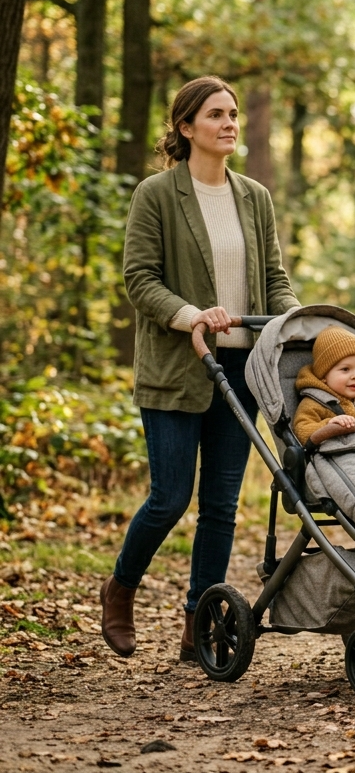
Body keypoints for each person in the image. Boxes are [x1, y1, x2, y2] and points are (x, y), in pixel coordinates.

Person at [100, 75, 300, 662]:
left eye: (233, 113)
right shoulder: (156, 195)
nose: (230, 123)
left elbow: (275, 280)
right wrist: (188, 315)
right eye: (216, 114)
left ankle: (200, 623)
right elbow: (139, 279)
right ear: (186, 127)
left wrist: (296, 322)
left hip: (241, 369)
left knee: (220, 505)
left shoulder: (255, 196)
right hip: (177, 367)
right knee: (169, 498)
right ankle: (120, 587)